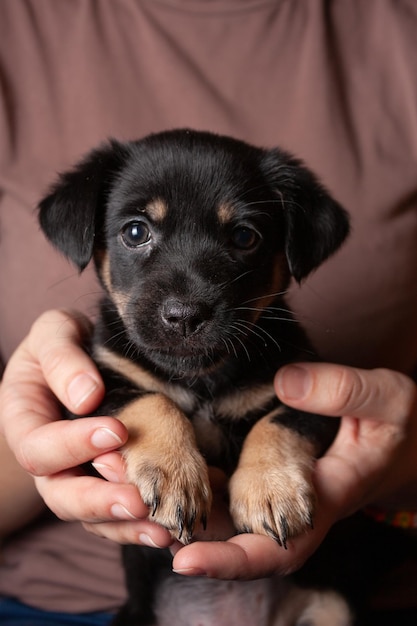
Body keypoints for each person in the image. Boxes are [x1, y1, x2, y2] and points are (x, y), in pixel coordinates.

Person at [1, 0, 417, 623]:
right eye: (137, 232)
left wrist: (282, 450)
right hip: (97, 604)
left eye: (243, 237)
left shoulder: (281, 362)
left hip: (315, 601)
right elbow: (108, 400)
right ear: (92, 241)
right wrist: (120, 427)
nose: (183, 299)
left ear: (287, 252)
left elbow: (309, 419)